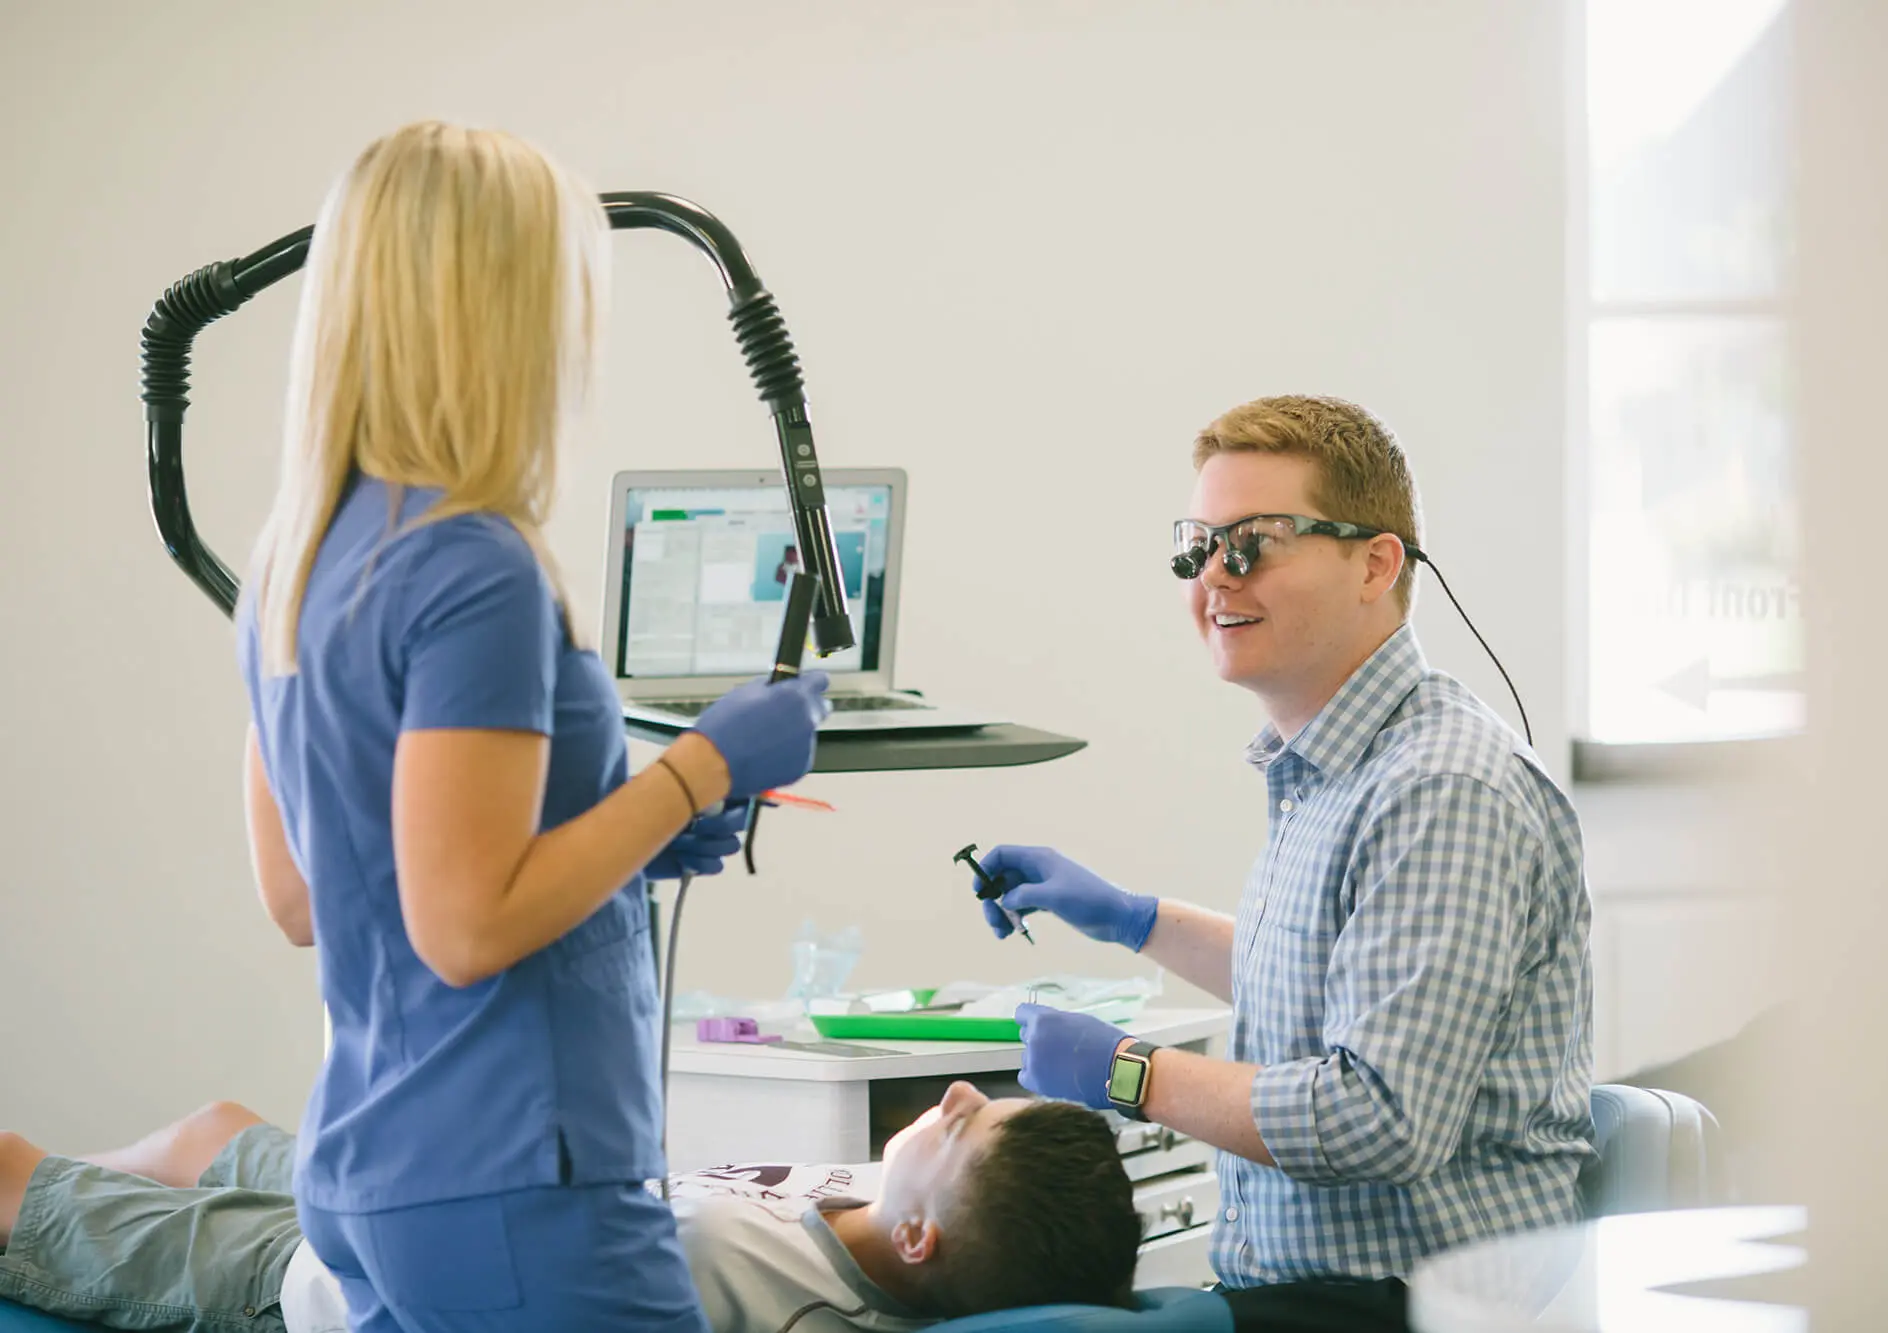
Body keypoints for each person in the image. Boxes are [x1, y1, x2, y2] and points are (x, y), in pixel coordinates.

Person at [234, 121, 831, 1332]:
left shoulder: (293, 560)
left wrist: (613, 836)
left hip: (375, 1176)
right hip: (513, 1174)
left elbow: (312, 890)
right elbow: (464, 926)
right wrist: (701, 764)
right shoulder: (476, 566)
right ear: (503, 310)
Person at [973, 396, 1595, 1333]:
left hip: (1416, 1302)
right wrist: (1133, 918)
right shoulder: (1336, 768)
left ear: (1375, 563)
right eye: (1199, 546)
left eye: (1255, 543)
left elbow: (1378, 1115)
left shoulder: (1442, 786)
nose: (1216, 577)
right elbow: (1341, 985)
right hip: (1311, 1290)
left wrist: (1130, 1073)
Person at [0, 1083, 1141, 1332]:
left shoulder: (736, 1290)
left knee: (21, 1181)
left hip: (333, 1278)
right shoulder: (870, 1229)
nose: (952, 1096)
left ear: (918, 1238)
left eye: (962, 1129)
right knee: (211, 1126)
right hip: (410, 1209)